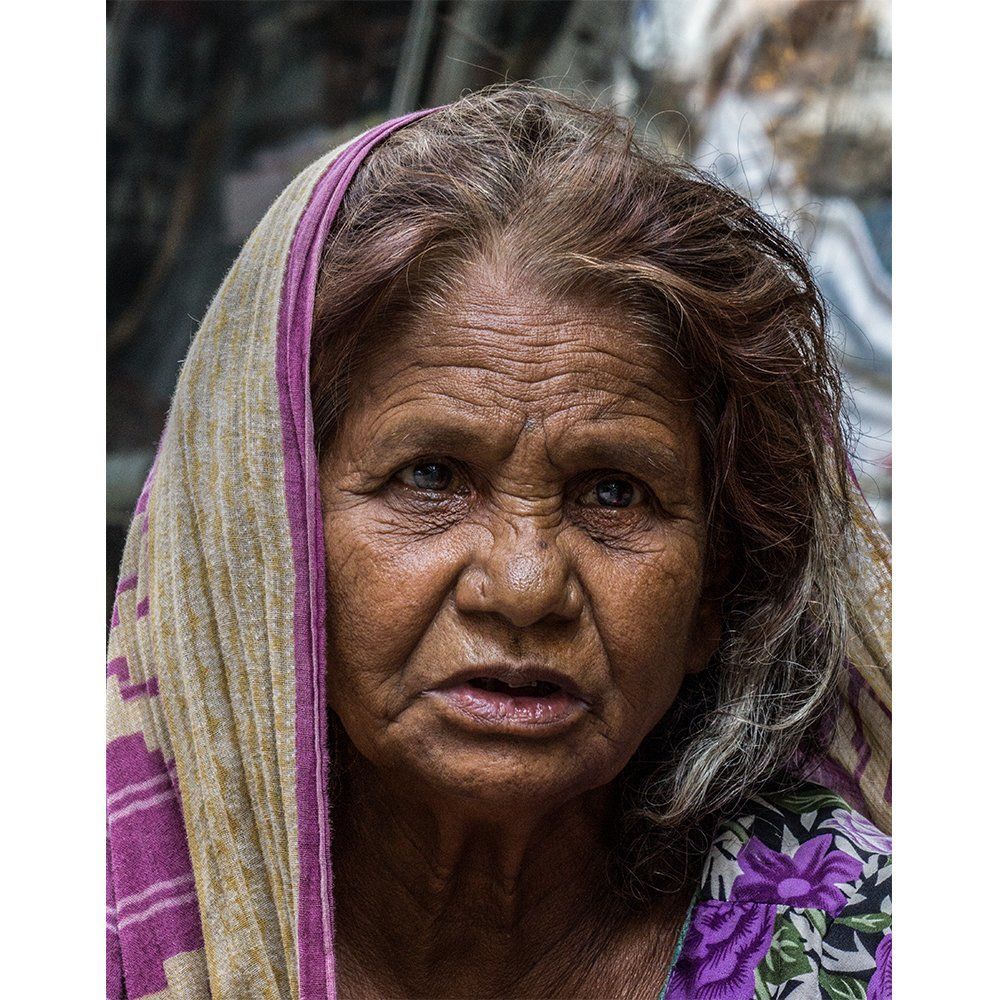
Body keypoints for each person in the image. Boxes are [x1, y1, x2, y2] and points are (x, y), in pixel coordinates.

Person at [106, 86, 891, 1000]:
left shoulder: (864, 953)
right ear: (267, 542)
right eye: (432, 477)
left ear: (716, 593)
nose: (523, 586)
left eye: (613, 493)